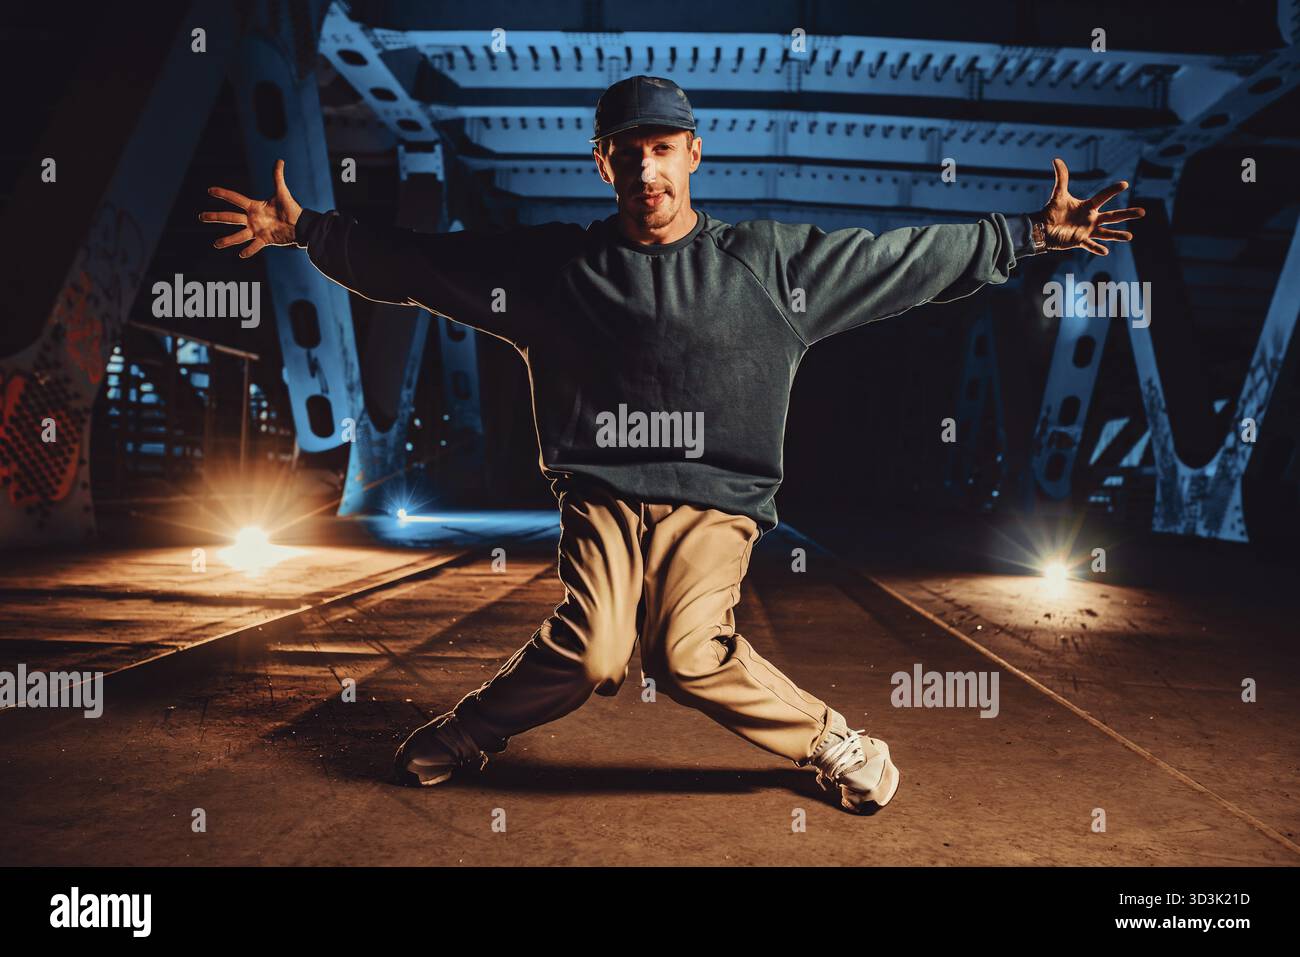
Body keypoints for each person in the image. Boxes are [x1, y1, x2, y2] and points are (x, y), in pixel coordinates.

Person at [202, 75, 1143, 814]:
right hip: (601, 494)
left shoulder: (771, 268)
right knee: (596, 652)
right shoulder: (552, 270)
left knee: (688, 655)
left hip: (716, 499)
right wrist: (308, 234)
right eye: (626, 154)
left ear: (693, 153)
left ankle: (829, 742)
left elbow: (902, 261)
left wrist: (1025, 235)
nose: (647, 171)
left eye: (662, 150)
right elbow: (424, 266)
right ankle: (473, 731)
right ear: (601, 164)